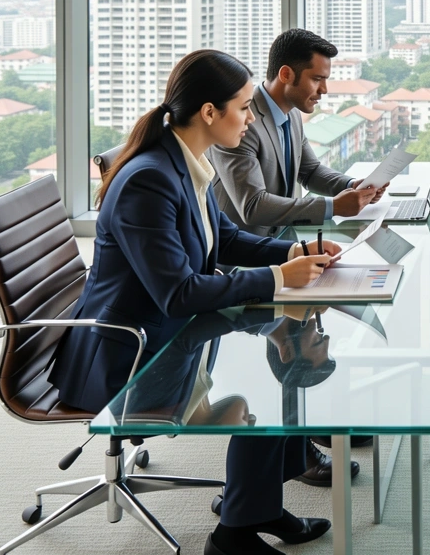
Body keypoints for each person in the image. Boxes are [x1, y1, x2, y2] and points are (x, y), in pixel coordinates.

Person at [50, 49, 351, 555]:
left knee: (285, 353)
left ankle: (258, 506)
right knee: (268, 384)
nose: (252, 116)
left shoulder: (185, 159)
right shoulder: (150, 179)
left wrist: (298, 250)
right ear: (209, 112)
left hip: (168, 332)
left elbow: (226, 239)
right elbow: (179, 292)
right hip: (130, 355)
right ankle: (235, 534)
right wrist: (278, 276)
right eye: (244, 107)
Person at [212, 28, 385, 238]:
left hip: (281, 243)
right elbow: (253, 206)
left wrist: (352, 186)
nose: (324, 90)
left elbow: (310, 171)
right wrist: (334, 207)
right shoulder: (242, 122)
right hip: (239, 256)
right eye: (316, 79)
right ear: (286, 74)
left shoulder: (292, 114)